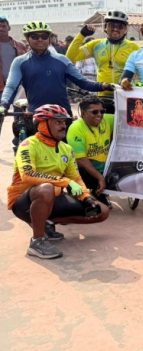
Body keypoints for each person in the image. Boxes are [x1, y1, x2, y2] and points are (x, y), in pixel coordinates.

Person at [7, 104, 110, 259]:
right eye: (58, 122)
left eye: (64, 122)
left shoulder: (66, 149)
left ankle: (45, 223)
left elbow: (76, 178)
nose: (63, 126)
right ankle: (37, 242)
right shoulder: (28, 145)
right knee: (46, 189)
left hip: (53, 197)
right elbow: (28, 175)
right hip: (23, 201)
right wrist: (64, 182)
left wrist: (86, 198)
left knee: (102, 211)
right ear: (43, 124)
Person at [0, 21, 113, 119]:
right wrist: (4, 105)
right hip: (36, 115)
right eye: (34, 36)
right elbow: (11, 86)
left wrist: (104, 86)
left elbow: (83, 82)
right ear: (27, 39)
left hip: (62, 114)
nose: (40, 39)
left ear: (49, 39)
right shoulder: (19, 62)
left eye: (44, 36)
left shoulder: (62, 60)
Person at [66, 10, 140, 112]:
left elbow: (141, 72)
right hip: (103, 95)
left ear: (126, 30)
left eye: (120, 26)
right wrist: (81, 35)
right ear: (105, 27)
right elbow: (70, 57)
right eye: (112, 25)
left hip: (126, 95)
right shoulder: (96, 45)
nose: (115, 29)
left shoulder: (134, 47)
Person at [66, 96, 114, 205]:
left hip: (103, 166)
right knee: (78, 168)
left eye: (102, 111)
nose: (99, 115)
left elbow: (128, 119)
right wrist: (100, 178)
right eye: (94, 112)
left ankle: (99, 192)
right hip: (85, 168)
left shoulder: (107, 120)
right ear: (83, 113)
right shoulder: (75, 128)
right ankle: (78, 193)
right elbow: (81, 160)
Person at [0, 15, 28, 88]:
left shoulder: (20, 46)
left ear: (9, 28)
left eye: (3, 26)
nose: (1, 28)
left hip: (18, 85)